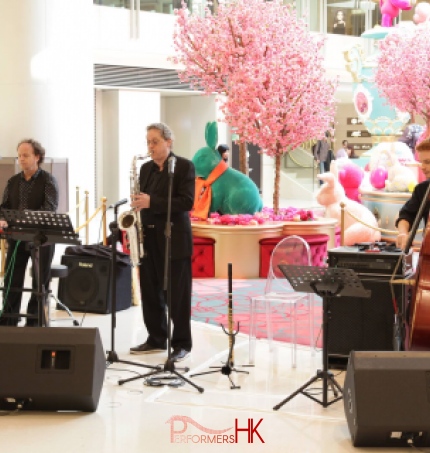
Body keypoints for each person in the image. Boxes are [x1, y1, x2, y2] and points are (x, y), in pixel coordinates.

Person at [129, 122, 195, 362]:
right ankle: (156, 338)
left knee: (177, 294)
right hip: (148, 237)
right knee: (150, 291)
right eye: (148, 142)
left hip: (174, 238)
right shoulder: (145, 169)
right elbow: (143, 199)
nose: (150, 146)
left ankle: (182, 344)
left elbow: (186, 203)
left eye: (155, 141)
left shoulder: (184, 166)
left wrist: (151, 202)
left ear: (169, 142)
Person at [0, 139, 59, 326]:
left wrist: (26, 218)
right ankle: (9, 321)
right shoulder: (13, 181)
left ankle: (35, 322)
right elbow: (4, 207)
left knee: (39, 283)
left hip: (41, 239)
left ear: (37, 157)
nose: (21, 159)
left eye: (25, 155)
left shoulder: (48, 180)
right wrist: (3, 219)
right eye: (19, 156)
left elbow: (49, 208)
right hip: (17, 238)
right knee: (12, 280)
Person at [396, 138, 430, 250]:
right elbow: (406, 215)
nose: (423, 167)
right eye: (421, 162)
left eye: (428, 162)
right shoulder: (422, 189)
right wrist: (403, 233)